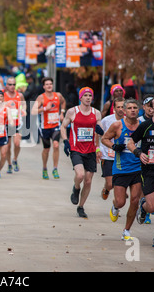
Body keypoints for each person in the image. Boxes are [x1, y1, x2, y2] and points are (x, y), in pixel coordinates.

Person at [128, 95, 154, 248]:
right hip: (148, 171)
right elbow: (130, 142)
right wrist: (139, 153)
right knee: (152, 207)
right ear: (151, 109)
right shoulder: (145, 126)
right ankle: (143, 207)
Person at [101, 98, 141, 241]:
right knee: (121, 202)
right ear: (124, 111)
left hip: (137, 168)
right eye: (129, 108)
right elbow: (104, 139)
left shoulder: (142, 126)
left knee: (135, 200)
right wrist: (113, 146)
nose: (132, 110)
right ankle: (115, 206)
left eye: (135, 108)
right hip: (121, 168)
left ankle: (126, 230)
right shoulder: (117, 125)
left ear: (138, 110)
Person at [60, 87, 104, 218]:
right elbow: (63, 126)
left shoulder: (96, 113)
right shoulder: (72, 111)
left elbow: (100, 129)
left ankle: (81, 206)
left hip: (90, 150)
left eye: (90, 95)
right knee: (80, 175)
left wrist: (100, 132)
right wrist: (66, 141)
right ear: (80, 97)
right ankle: (76, 187)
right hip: (76, 149)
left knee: (89, 181)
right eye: (85, 95)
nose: (88, 97)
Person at [32, 77, 66, 179]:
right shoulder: (41, 98)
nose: (49, 86)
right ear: (44, 86)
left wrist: (62, 112)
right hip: (45, 127)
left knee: (56, 145)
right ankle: (44, 168)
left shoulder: (58, 95)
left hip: (55, 125)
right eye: (47, 84)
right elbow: (33, 111)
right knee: (46, 149)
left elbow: (64, 102)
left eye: (50, 84)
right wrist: (45, 108)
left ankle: (55, 168)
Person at [100, 97, 125, 199]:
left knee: (119, 184)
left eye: (122, 107)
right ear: (114, 108)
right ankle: (106, 188)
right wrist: (98, 150)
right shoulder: (106, 120)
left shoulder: (130, 121)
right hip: (108, 156)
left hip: (123, 156)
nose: (120, 109)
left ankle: (116, 206)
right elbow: (98, 134)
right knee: (110, 184)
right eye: (118, 107)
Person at [4, 77, 27, 173]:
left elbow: (24, 104)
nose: (12, 86)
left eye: (13, 84)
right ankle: (9, 164)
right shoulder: (3, 95)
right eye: (10, 84)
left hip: (17, 123)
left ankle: (15, 159)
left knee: (17, 143)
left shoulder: (19, 95)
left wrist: (23, 110)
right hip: (7, 123)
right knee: (8, 146)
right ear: (7, 85)